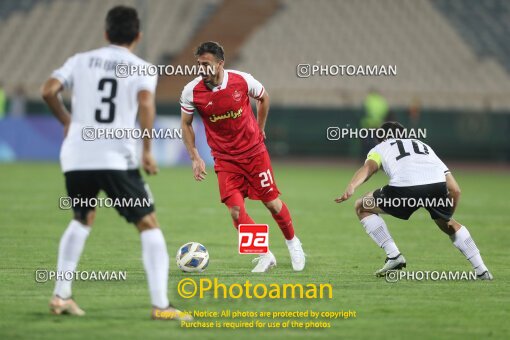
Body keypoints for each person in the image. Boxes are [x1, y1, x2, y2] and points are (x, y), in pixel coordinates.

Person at [41, 5, 191, 320]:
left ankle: (61, 296)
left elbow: (48, 90)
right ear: (138, 36)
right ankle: (161, 306)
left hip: (76, 155)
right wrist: (147, 150)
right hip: (113, 156)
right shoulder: (142, 68)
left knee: (82, 218)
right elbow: (146, 102)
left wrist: (66, 120)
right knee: (149, 224)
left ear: (106, 33)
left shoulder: (79, 60)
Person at [180, 41, 305, 273]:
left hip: (254, 153)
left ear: (220, 64)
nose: (201, 69)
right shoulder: (191, 91)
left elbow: (264, 98)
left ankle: (293, 243)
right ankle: (264, 254)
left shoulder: (242, 80)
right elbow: (186, 124)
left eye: (206, 64)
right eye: (198, 64)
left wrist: (260, 127)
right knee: (235, 210)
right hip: (225, 159)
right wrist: (195, 156)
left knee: (272, 203)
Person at [335, 121, 492, 279]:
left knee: (362, 206)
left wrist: (352, 185)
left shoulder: (381, 147)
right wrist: (446, 215)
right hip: (436, 186)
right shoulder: (423, 146)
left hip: (406, 188)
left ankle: (393, 255)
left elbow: (369, 168)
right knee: (449, 225)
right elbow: (455, 189)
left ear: (380, 138)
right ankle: (482, 270)